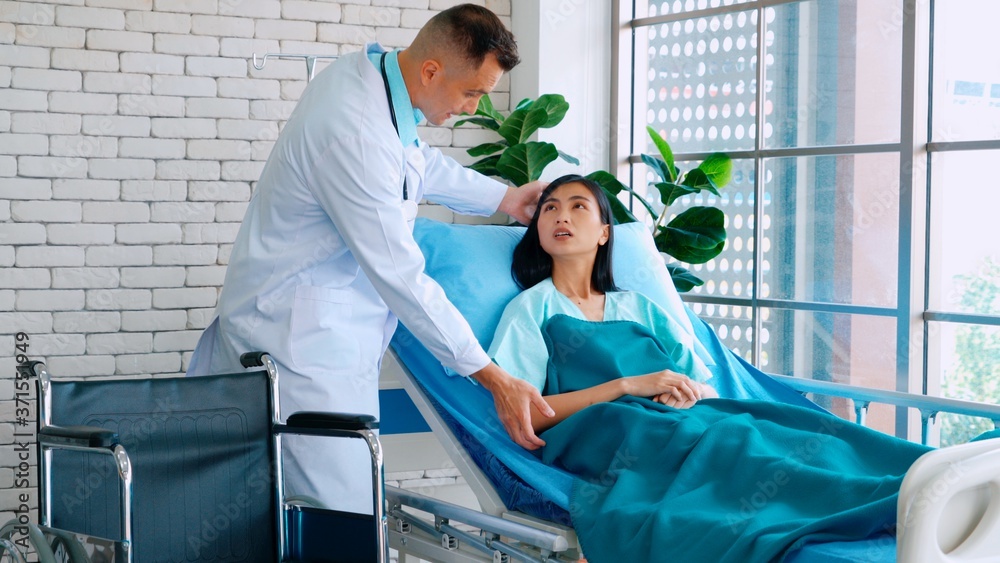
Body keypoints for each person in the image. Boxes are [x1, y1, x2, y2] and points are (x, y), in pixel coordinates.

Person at [188, 4, 553, 514]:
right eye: (472, 92)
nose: (474, 108)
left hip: (315, 332)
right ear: (432, 71)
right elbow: (401, 276)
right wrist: (491, 375)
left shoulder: (377, 79)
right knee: (340, 514)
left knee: (300, 512)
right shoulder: (356, 131)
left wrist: (505, 199)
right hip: (299, 348)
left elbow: (416, 164)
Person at [486, 174, 932, 562]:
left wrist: (682, 391)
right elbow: (529, 410)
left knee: (783, 427)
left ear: (604, 232)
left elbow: (697, 382)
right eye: (549, 209)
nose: (560, 216)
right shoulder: (531, 309)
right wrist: (627, 386)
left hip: (679, 420)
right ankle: (885, 501)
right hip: (611, 433)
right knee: (734, 444)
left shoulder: (639, 307)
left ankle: (919, 478)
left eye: (577, 207)